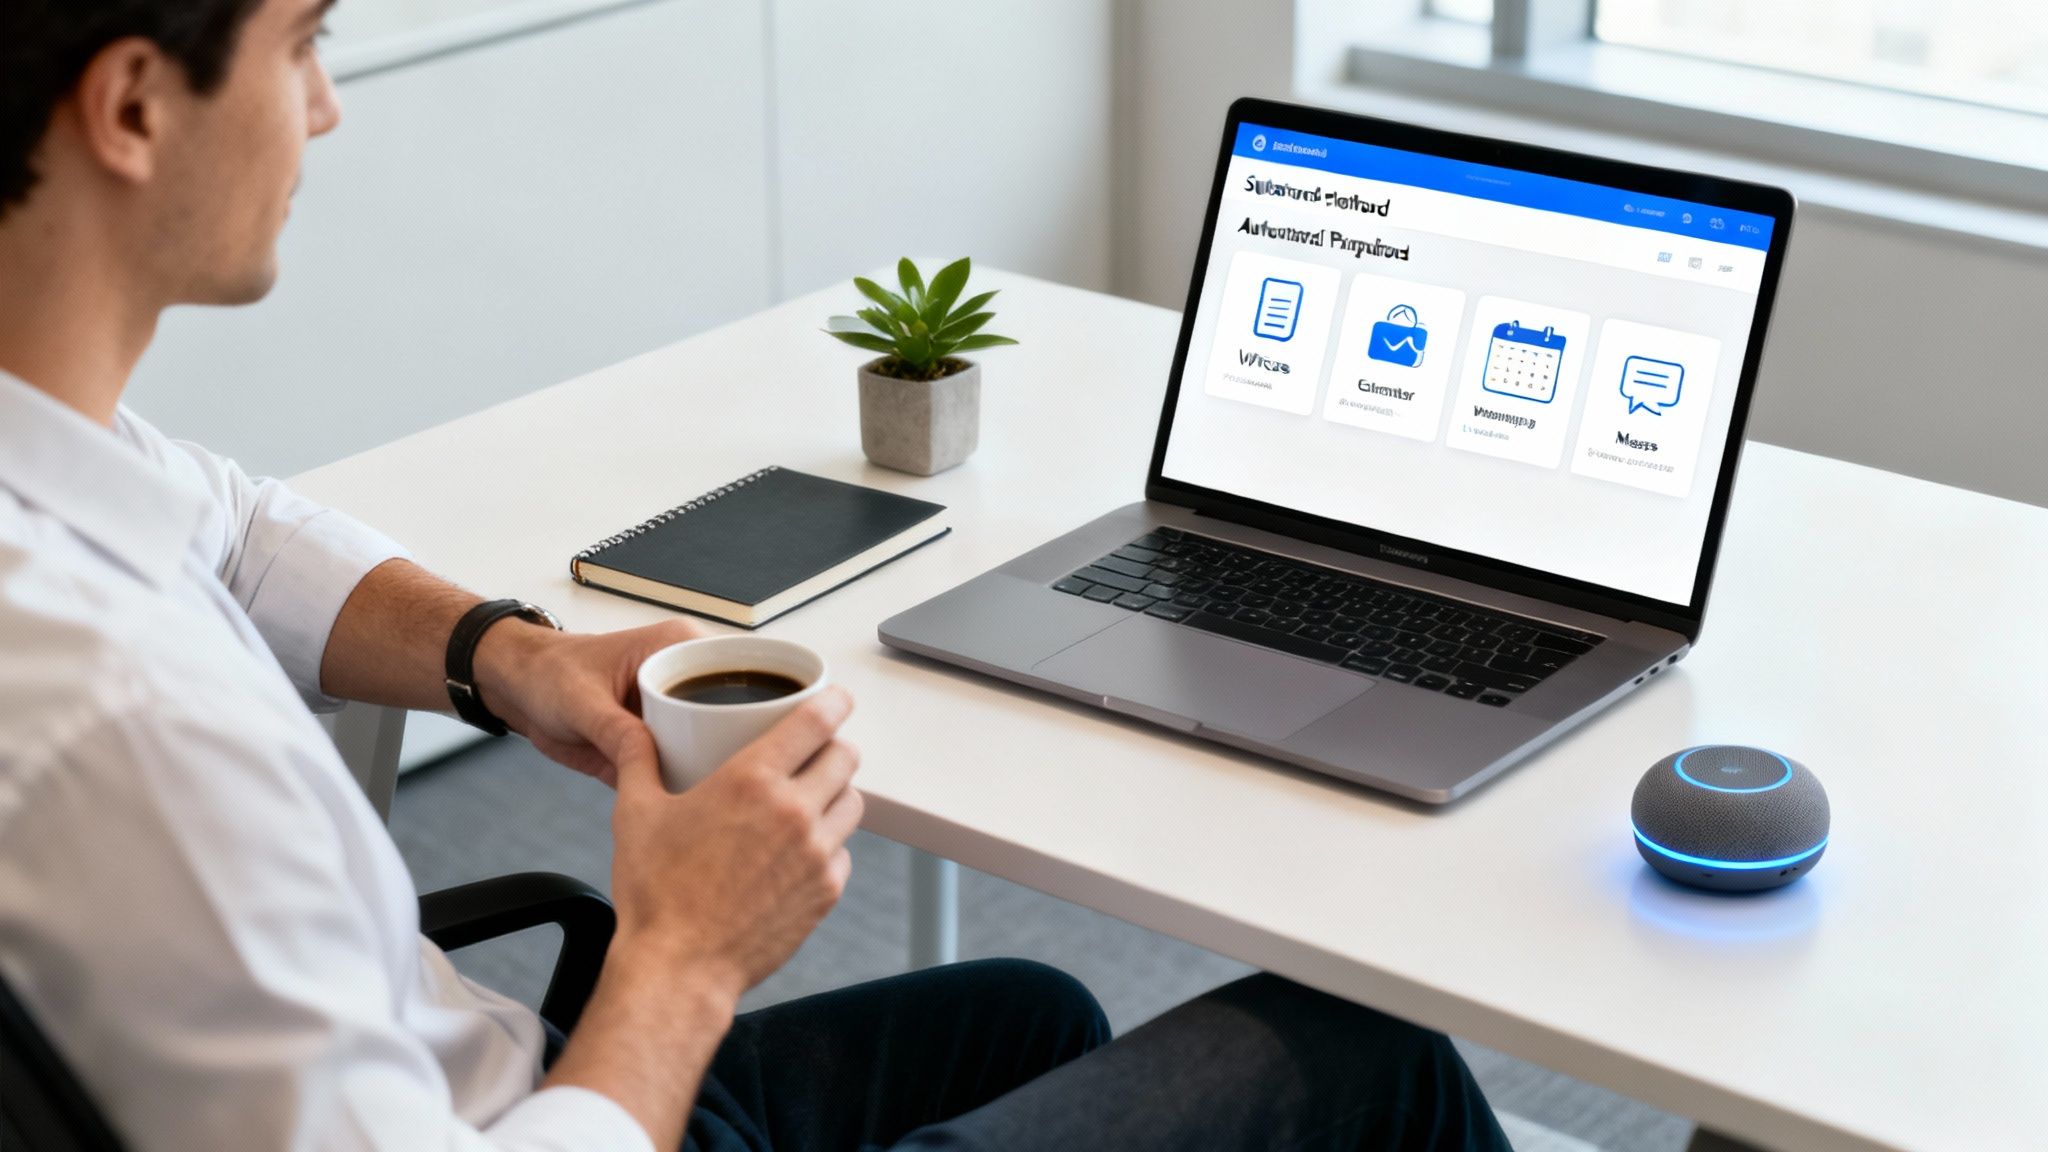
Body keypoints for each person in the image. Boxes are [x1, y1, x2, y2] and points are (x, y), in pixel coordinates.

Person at [0, 2, 1513, 1149]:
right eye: (302, 43)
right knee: (1371, 1065)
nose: (325, 110)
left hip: (489, 1080)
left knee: (1032, 1010)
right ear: (136, 103)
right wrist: (683, 955)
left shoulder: (46, 469)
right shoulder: (128, 735)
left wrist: (507, 651)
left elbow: (232, 522)